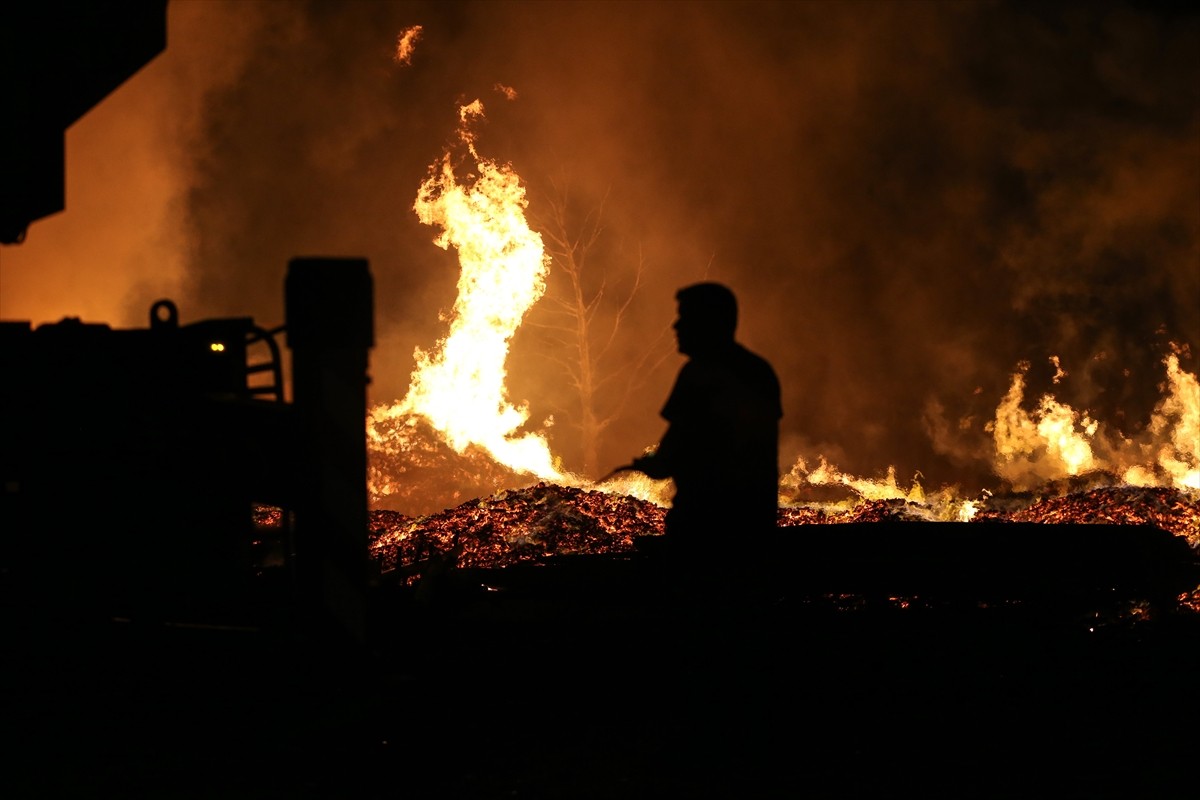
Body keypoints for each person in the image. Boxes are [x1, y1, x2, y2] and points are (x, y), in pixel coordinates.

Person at [625, 282, 782, 566]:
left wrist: (648, 463)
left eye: (685, 317)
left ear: (708, 323)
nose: (676, 326)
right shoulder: (759, 371)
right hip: (754, 529)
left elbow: (670, 454)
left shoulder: (699, 375)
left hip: (702, 530)